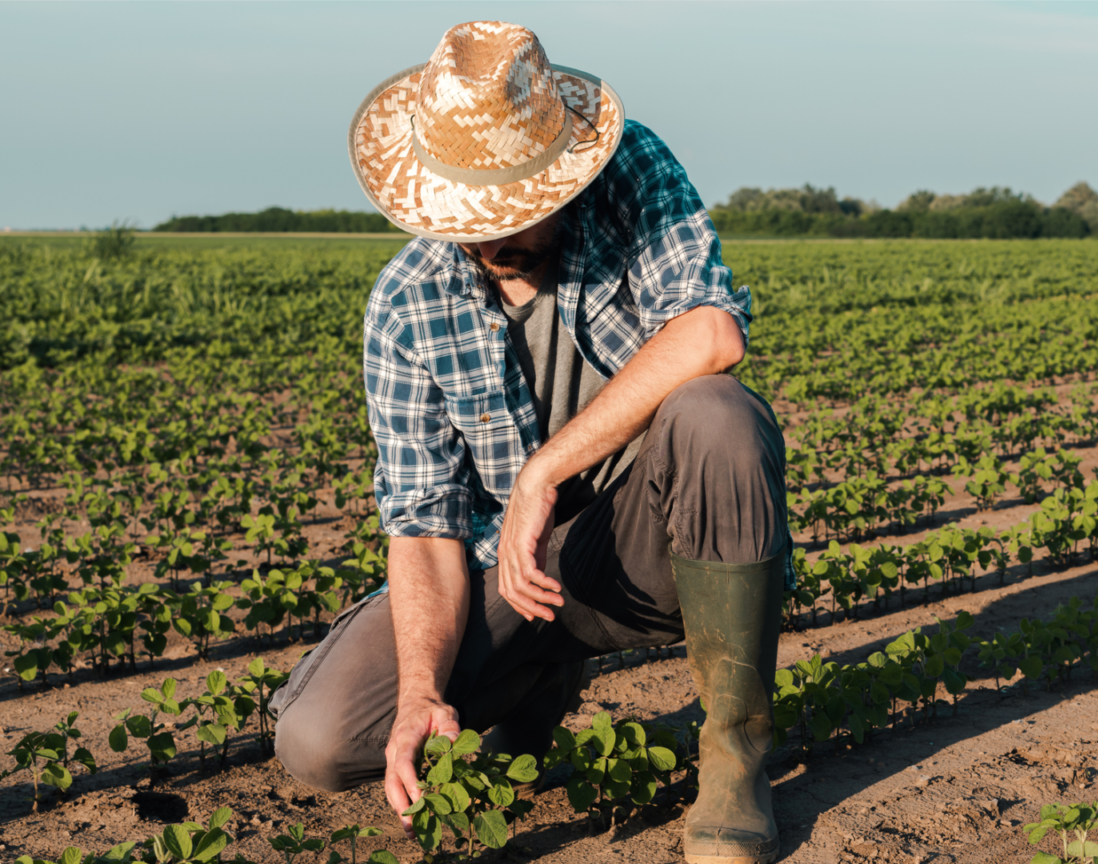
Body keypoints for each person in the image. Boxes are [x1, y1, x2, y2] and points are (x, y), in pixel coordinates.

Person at [269, 21, 791, 864]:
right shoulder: (406, 304)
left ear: (562, 178)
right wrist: (420, 694)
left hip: (638, 550)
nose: (487, 240)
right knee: (322, 739)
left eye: (510, 211)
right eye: (468, 217)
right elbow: (424, 525)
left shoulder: (631, 178)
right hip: (500, 577)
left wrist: (544, 471)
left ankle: (736, 762)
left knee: (718, 414)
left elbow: (710, 334)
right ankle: (535, 678)